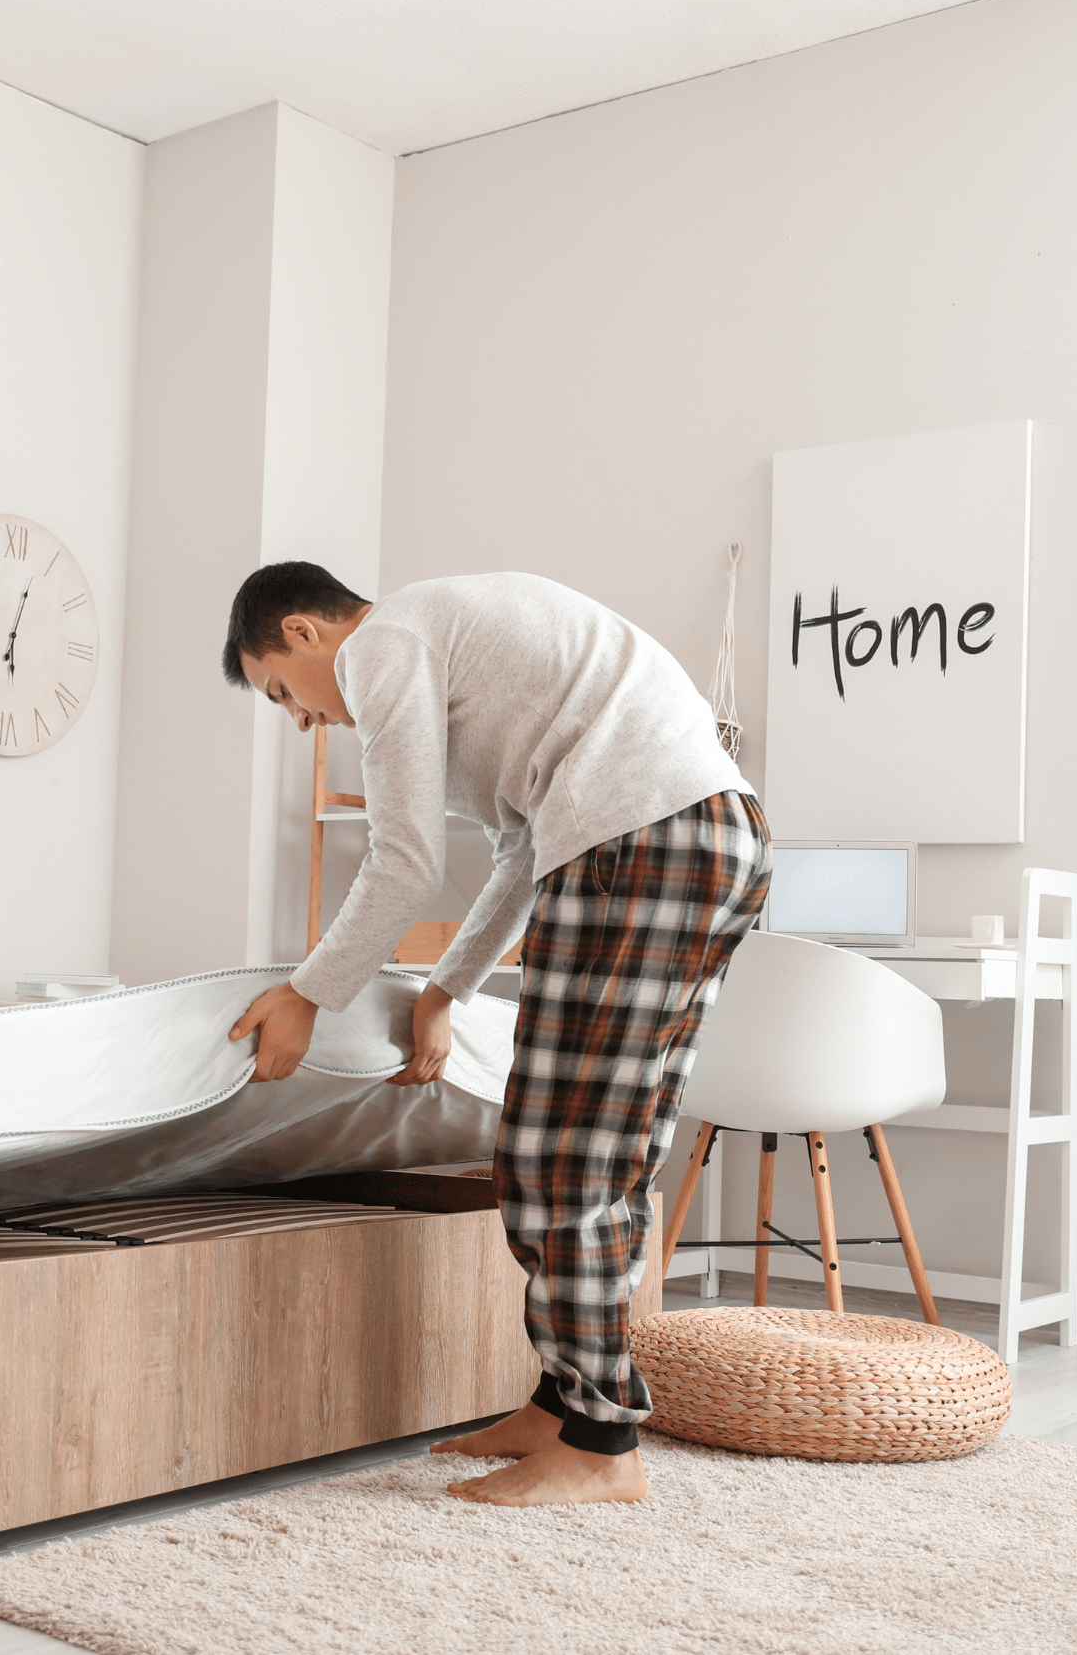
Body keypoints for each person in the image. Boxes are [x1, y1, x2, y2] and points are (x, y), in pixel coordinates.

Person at [222, 562, 770, 1508]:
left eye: (282, 693)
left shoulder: (384, 644)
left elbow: (403, 859)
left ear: (308, 633)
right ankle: (567, 1406)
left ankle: (601, 1442)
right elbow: (521, 851)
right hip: (704, 833)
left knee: (560, 1154)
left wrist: (309, 993)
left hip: (639, 840)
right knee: (605, 1147)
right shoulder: (458, 652)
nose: (305, 718)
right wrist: (447, 987)